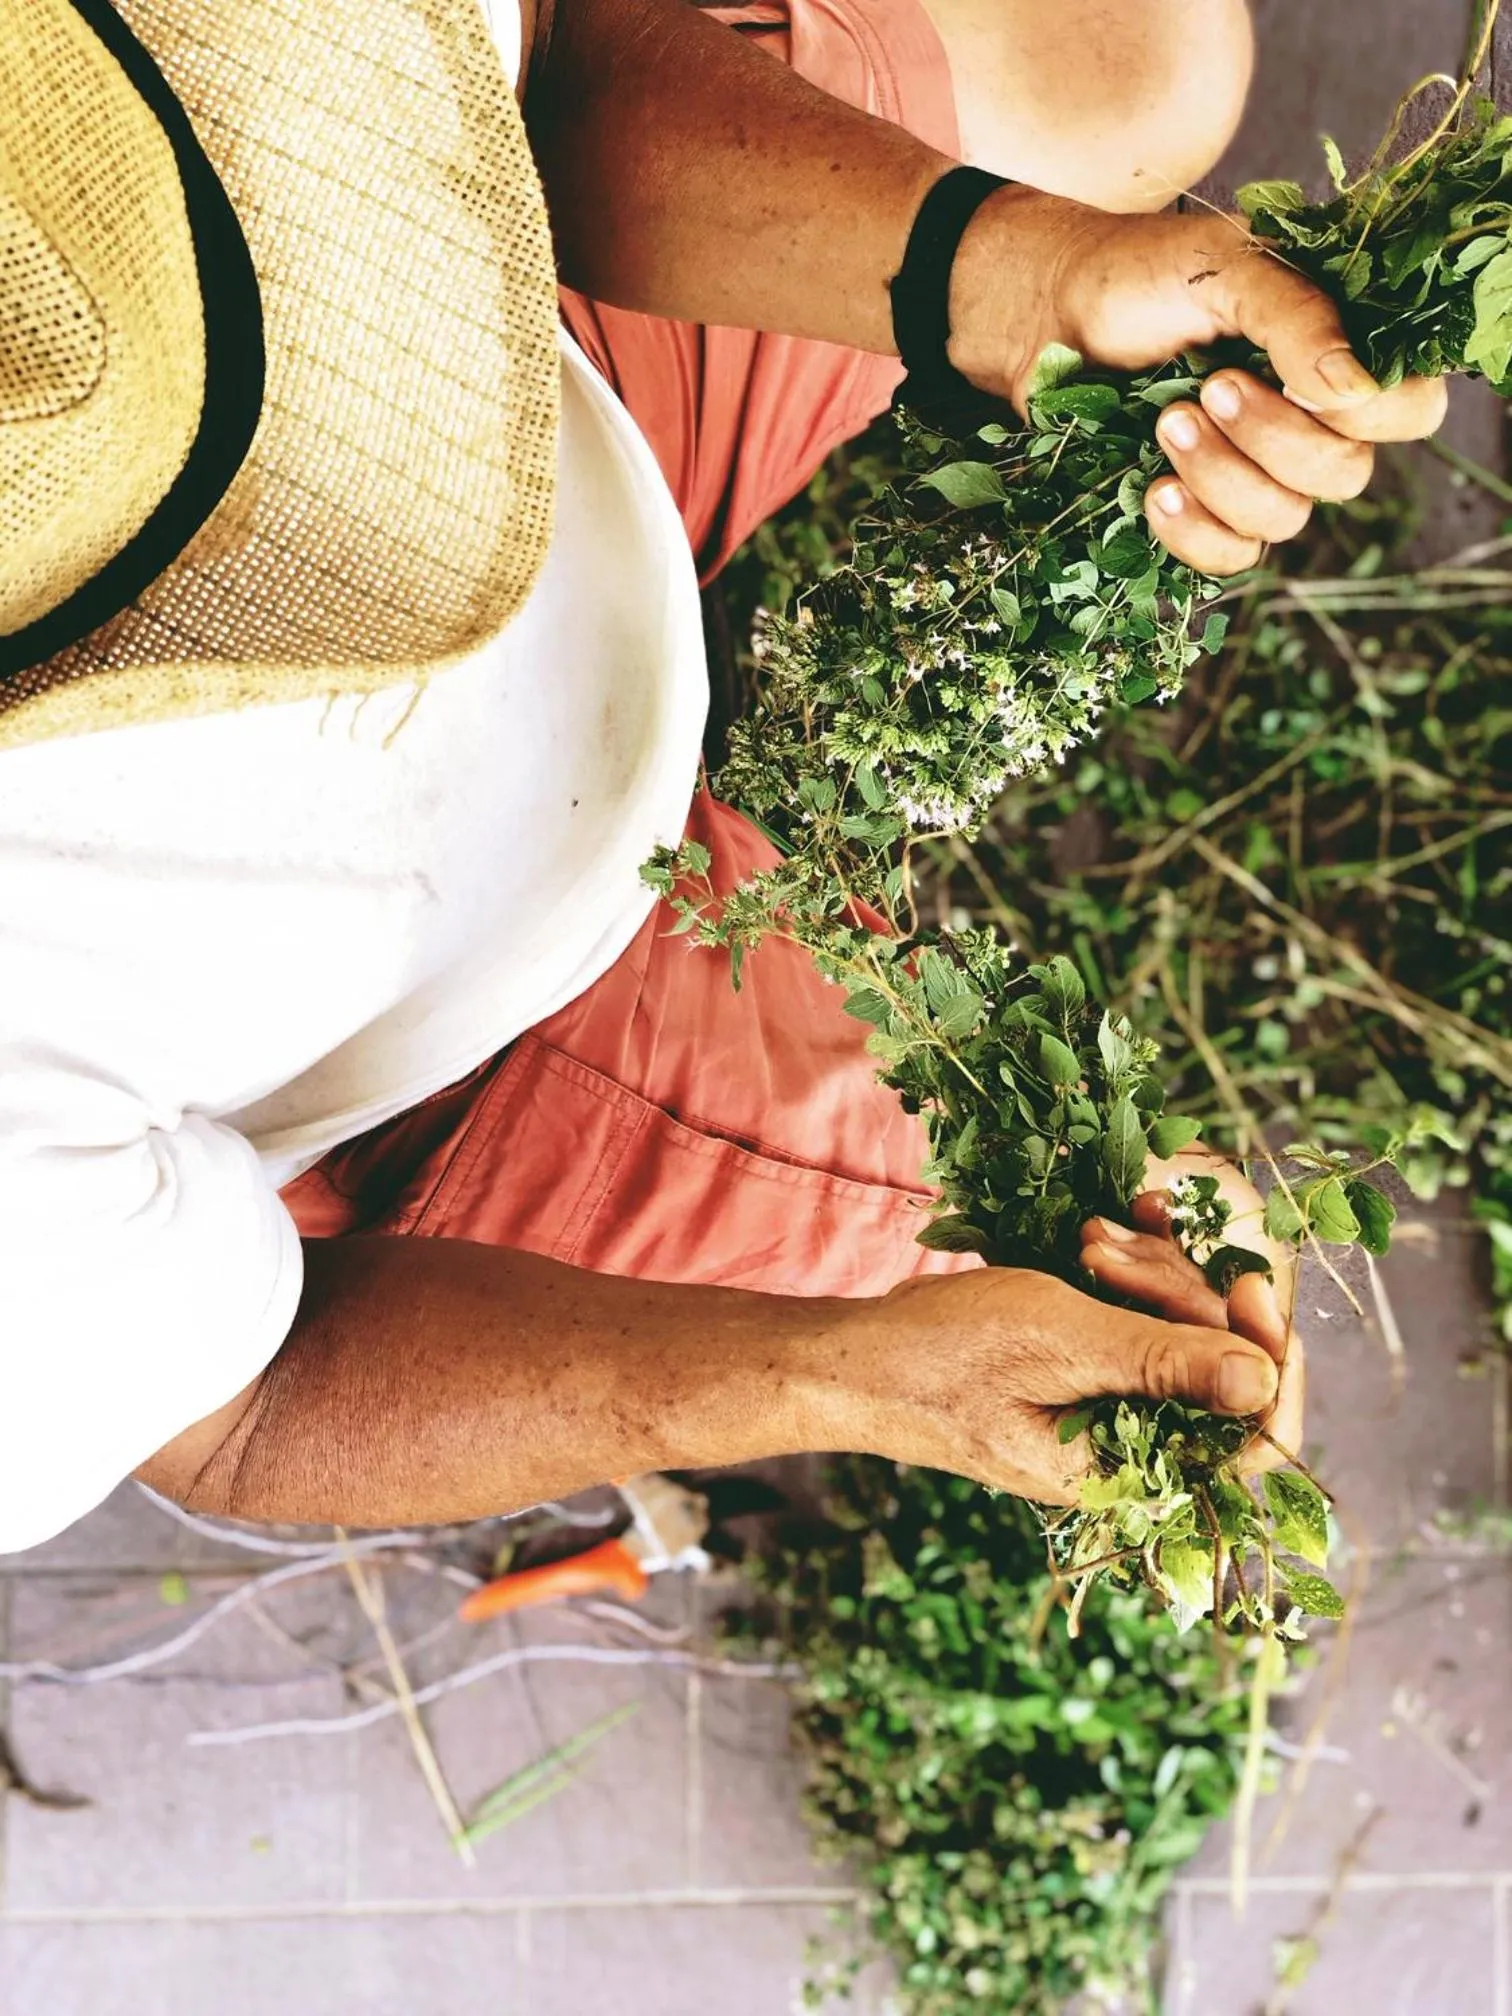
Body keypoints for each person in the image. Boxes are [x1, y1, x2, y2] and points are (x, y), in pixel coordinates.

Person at [0, 0, 1445, 1554]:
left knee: (1148, 63)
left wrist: (1023, 273)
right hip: (444, 1031)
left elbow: (541, 61)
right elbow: (236, 1418)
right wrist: (851, 1380)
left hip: (495, 348)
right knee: (1074, 1268)